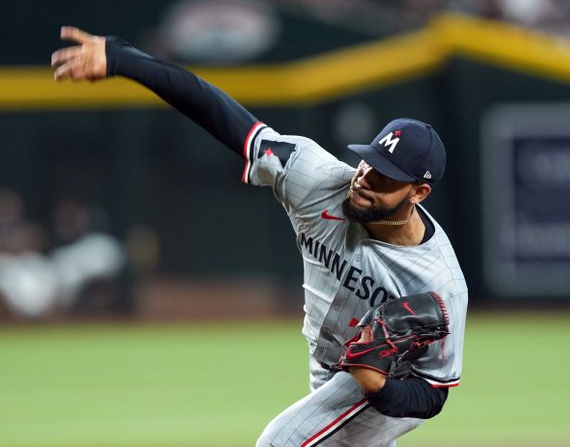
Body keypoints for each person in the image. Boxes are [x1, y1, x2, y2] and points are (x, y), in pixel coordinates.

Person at [51, 27, 467, 447]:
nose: (365, 180)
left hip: (380, 384)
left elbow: (433, 393)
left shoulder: (439, 283)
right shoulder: (318, 181)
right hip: (326, 365)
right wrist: (124, 59)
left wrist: (379, 386)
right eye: (368, 164)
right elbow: (218, 112)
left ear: (418, 192)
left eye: (385, 178)